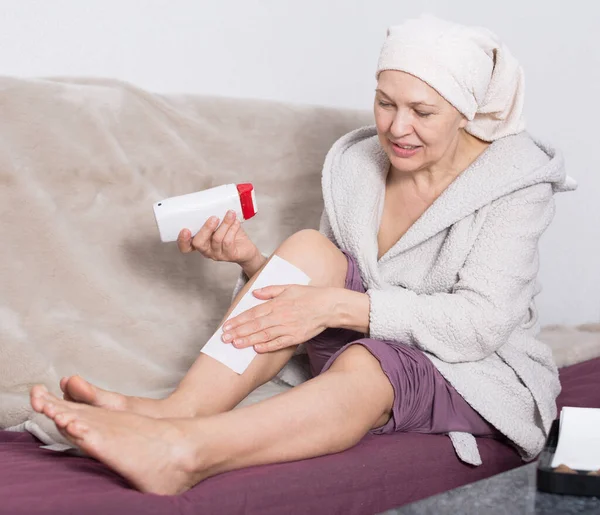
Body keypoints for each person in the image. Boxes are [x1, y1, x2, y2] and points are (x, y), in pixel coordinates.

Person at [29, 14, 576, 495]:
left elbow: (480, 323)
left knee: (369, 361)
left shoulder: (514, 185)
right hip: (370, 330)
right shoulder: (356, 165)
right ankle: (176, 411)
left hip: (467, 364)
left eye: (422, 112)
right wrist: (250, 262)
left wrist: (337, 310)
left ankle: (182, 453)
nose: (397, 127)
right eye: (385, 103)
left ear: (466, 111)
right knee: (310, 248)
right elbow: (323, 289)